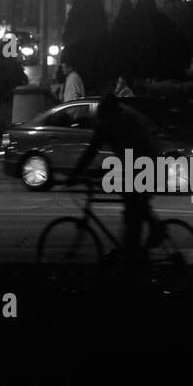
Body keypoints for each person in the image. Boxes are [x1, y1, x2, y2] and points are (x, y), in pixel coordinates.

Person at [67, 91, 160, 263]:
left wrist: (74, 175)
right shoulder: (126, 118)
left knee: (133, 209)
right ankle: (151, 233)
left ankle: (132, 259)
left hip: (141, 166)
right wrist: (102, 172)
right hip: (150, 162)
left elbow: (90, 152)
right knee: (134, 203)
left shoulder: (107, 124)